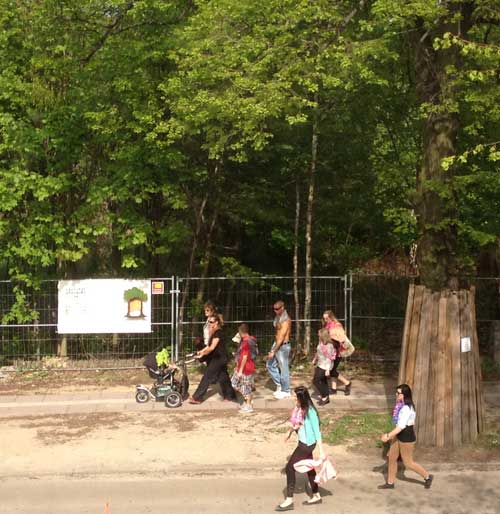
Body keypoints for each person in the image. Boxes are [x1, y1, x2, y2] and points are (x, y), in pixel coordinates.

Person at [276, 386, 325, 511]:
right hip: (302, 442)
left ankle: (289, 500)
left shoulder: (311, 412)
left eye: (295, 396)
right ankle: (316, 495)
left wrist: (321, 450)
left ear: (301, 398)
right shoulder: (300, 408)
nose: (293, 398)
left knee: (289, 468)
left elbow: (317, 431)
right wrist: (290, 432)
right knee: (309, 468)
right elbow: (297, 423)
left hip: (307, 445)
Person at [378, 384, 434, 489]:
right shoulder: (401, 405)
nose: (396, 394)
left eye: (398, 393)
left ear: (404, 395)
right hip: (399, 436)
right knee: (391, 458)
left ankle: (427, 477)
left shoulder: (406, 409)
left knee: (408, 463)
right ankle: (390, 483)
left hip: (406, 438)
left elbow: (400, 427)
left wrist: (388, 436)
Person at [188, 314, 236, 404]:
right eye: (208, 322)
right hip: (218, 358)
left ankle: (197, 397)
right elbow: (208, 346)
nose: (209, 323)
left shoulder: (218, 333)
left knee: (207, 376)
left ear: (216, 322)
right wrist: (201, 352)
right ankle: (230, 395)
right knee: (223, 377)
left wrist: (202, 354)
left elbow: (212, 348)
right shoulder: (214, 332)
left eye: (211, 322)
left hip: (219, 358)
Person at [322, 310, 352, 395]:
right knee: (333, 370)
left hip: (337, 351)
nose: (325, 320)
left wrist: (332, 337)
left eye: (327, 318)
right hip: (330, 351)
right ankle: (333, 388)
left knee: (332, 370)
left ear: (331, 317)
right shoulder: (327, 325)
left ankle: (347, 383)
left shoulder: (337, 325)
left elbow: (342, 338)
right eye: (324, 318)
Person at [267, 300, 292, 399]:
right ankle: (280, 385)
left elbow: (281, 337)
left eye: (277, 309)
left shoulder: (286, 320)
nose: (275, 311)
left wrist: (273, 351)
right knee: (269, 365)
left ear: (282, 307)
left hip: (282, 346)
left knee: (283, 368)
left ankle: (286, 390)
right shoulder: (278, 317)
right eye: (274, 309)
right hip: (276, 343)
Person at [231, 323, 256, 413]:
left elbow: (245, 357)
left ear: (241, 332)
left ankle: (248, 405)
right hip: (244, 367)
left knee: (245, 387)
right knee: (234, 383)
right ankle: (247, 400)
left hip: (246, 368)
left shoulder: (246, 342)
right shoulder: (250, 340)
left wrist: (240, 370)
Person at [312, 328, 336, 406]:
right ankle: (326, 397)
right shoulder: (321, 342)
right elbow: (318, 351)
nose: (317, 335)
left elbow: (329, 358)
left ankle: (325, 396)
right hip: (320, 363)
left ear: (323, 335)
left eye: (319, 334)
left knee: (316, 380)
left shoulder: (329, 345)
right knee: (322, 380)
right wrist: (315, 359)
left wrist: (328, 370)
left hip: (326, 365)